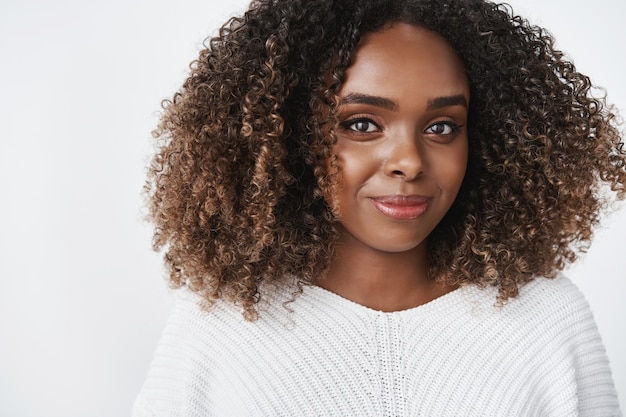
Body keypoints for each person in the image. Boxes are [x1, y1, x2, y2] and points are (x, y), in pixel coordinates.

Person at [133, 0, 625, 415]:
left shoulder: (546, 318)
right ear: (286, 136)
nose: (409, 162)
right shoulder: (221, 323)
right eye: (362, 124)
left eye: (442, 127)